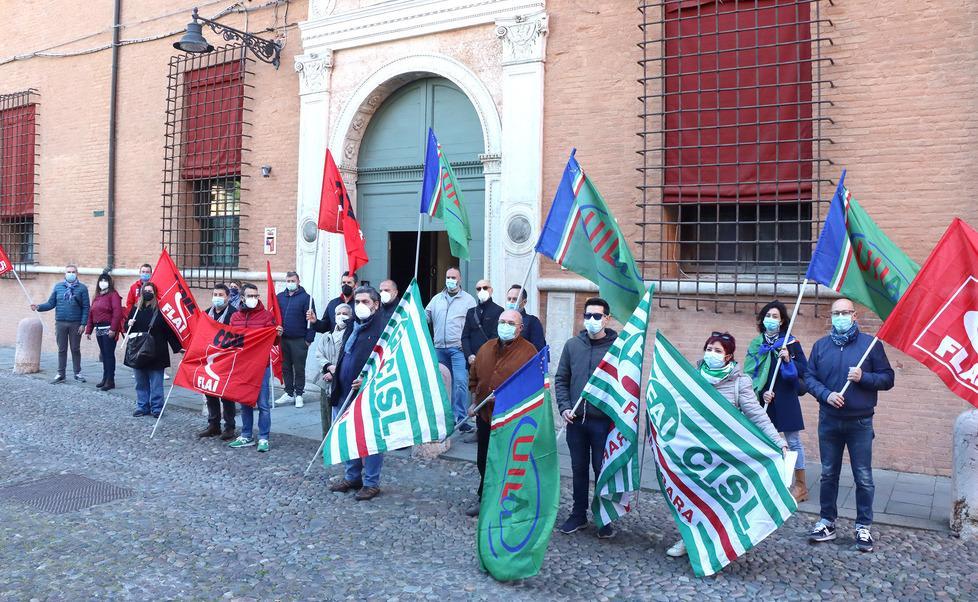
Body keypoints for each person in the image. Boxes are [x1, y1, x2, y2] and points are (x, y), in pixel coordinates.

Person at [665, 331, 787, 558]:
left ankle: (718, 542)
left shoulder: (740, 382)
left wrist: (777, 441)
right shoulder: (693, 376)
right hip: (694, 450)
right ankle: (688, 540)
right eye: (709, 349)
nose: (712, 354)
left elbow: (757, 415)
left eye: (718, 351)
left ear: (729, 356)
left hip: (723, 454)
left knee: (718, 500)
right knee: (694, 498)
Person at [805, 298, 894, 553]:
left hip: (860, 422)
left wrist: (863, 377)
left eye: (845, 312)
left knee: (863, 477)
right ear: (830, 317)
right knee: (828, 474)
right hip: (829, 420)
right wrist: (826, 395)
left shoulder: (870, 345)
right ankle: (826, 522)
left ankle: (863, 526)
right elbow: (809, 378)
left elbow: (888, 378)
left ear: (854, 316)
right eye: (836, 313)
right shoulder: (821, 346)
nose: (840, 317)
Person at [555, 297, 619, 539]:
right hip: (576, 421)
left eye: (597, 316)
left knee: (602, 470)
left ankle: (603, 517)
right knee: (578, 469)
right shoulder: (573, 345)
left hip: (604, 422)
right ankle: (578, 513)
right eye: (588, 316)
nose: (592, 320)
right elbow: (562, 379)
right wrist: (564, 407)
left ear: (607, 318)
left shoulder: (617, 348)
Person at [466, 309, 537, 517]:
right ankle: (485, 497)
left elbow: (533, 386)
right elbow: (474, 378)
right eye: (502, 321)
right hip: (485, 416)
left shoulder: (529, 352)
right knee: (484, 459)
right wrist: (473, 403)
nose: (505, 326)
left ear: (520, 328)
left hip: (511, 419)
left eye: (511, 323)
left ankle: (508, 500)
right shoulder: (486, 348)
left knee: (507, 461)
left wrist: (507, 398)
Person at [745, 300, 810, 502]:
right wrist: (760, 393)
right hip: (766, 398)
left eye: (775, 317)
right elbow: (750, 374)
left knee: (792, 441)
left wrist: (789, 359)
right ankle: (770, 481)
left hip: (786, 397)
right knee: (765, 440)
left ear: (782, 321)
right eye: (767, 316)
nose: (770, 320)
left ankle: (800, 485)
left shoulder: (791, 342)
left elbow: (805, 369)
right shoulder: (757, 344)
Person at [327, 286, 387, 501]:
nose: (360, 306)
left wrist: (368, 380)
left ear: (376, 304)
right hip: (344, 390)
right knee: (348, 434)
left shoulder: (384, 329)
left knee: (370, 437)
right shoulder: (352, 325)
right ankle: (352, 476)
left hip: (369, 393)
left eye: (366, 302)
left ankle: (371, 482)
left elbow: (388, 364)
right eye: (357, 302)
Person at [227, 284, 282, 453]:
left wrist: (277, 335)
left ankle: (264, 437)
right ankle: (246, 435)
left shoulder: (266, 316)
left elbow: (272, 342)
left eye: (256, 295)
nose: (254, 299)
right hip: (243, 366)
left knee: (263, 404)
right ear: (242, 298)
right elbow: (231, 340)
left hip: (261, 366)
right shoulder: (235, 317)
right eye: (250, 295)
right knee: (245, 402)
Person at [425, 267, 477, 433]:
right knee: (440, 384)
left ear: (459, 279)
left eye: (453, 277)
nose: (450, 280)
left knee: (460, 383)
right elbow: (424, 317)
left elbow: (473, 325)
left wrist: (468, 346)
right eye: (448, 277)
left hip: (458, 349)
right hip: (439, 348)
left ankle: (460, 419)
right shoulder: (436, 299)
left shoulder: (469, 300)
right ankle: (442, 419)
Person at [125, 282, 182, 418]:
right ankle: (142, 406)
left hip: (157, 352)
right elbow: (128, 330)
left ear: (155, 294)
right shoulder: (135, 310)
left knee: (156, 383)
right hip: (138, 351)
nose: (148, 293)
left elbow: (169, 332)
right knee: (140, 382)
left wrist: (178, 347)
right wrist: (128, 324)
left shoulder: (161, 312)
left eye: (150, 291)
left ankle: (157, 408)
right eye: (146, 290)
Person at [33, 264, 91, 384]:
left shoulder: (82, 288)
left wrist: (83, 324)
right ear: (65, 274)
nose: (71, 274)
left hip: (76, 323)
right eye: (68, 272)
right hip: (60, 323)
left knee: (75, 349)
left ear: (77, 273)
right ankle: (61, 374)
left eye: (73, 272)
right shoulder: (58, 287)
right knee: (62, 349)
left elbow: (86, 307)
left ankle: (77, 373)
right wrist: (39, 307)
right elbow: (51, 303)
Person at [197, 284, 238, 440]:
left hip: (226, 359)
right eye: (215, 294)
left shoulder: (235, 315)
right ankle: (213, 425)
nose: (217, 297)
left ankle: (229, 427)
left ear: (227, 297)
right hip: (210, 360)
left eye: (221, 294)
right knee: (210, 392)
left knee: (226, 395)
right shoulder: (206, 314)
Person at [275, 271, 317, 408]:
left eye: (293, 281)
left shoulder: (307, 298)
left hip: (300, 340)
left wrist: (309, 339)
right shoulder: (280, 297)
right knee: (285, 367)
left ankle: (299, 394)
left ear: (298, 281)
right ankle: (288, 393)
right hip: (283, 339)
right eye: (288, 281)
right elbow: (275, 315)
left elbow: (311, 320)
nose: (290, 283)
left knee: (299, 368)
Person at [314, 303, 352, 439]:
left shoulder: (351, 335)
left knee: (342, 413)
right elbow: (319, 354)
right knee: (325, 413)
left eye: (345, 313)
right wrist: (328, 367)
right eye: (338, 314)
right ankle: (326, 442)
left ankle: (340, 442)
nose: (341, 316)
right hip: (326, 380)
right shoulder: (326, 336)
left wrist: (335, 373)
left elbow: (349, 357)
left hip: (342, 381)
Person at [85, 272, 124, 391]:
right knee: (103, 354)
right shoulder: (97, 296)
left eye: (105, 280)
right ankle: (105, 378)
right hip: (99, 329)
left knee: (109, 355)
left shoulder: (114, 295)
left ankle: (110, 380)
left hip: (108, 329)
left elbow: (117, 313)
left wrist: (113, 329)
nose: (103, 282)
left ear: (109, 282)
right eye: (101, 280)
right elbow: (91, 314)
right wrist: (88, 330)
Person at [461, 279, 504, 366]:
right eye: (479, 289)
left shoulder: (499, 310)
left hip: (489, 359)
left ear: (491, 290)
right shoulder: (471, 312)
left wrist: (484, 355)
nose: (482, 291)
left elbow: (496, 336)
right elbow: (465, 336)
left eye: (485, 288)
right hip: (472, 361)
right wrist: (469, 355)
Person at [504, 284, 546, 351]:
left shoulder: (532, 322)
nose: (511, 302)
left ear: (524, 302)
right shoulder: (501, 320)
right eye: (509, 299)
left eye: (515, 299)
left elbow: (538, 348)